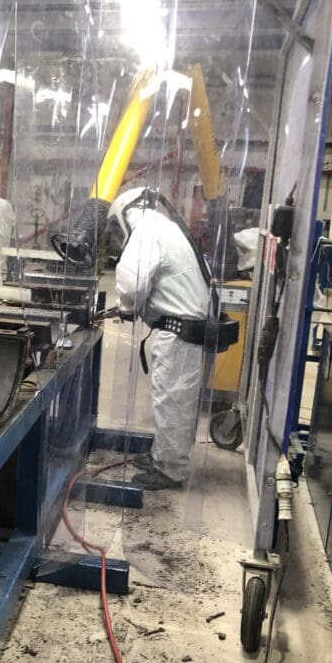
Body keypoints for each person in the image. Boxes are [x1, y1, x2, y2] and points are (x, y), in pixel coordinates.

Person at [114, 186, 210, 489]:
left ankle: (170, 470)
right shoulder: (163, 227)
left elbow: (133, 281)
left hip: (179, 335)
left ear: (126, 214)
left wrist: (125, 306)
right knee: (171, 399)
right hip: (181, 331)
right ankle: (162, 455)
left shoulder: (146, 231)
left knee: (172, 401)